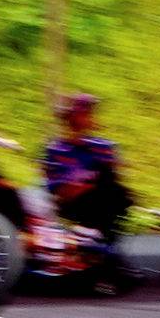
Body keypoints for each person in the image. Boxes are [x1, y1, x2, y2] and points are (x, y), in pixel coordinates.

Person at [42, 93, 136, 271]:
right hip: (74, 201)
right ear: (71, 118)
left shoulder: (103, 146)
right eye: (85, 113)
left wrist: (100, 172)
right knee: (106, 192)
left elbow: (116, 174)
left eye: (91, 113)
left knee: (113, 189)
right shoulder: (56, 150)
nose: (90, 117)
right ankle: (103, 252)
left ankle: (104, 251)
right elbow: (58, 190)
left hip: (104, 197)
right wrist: (86, 184)